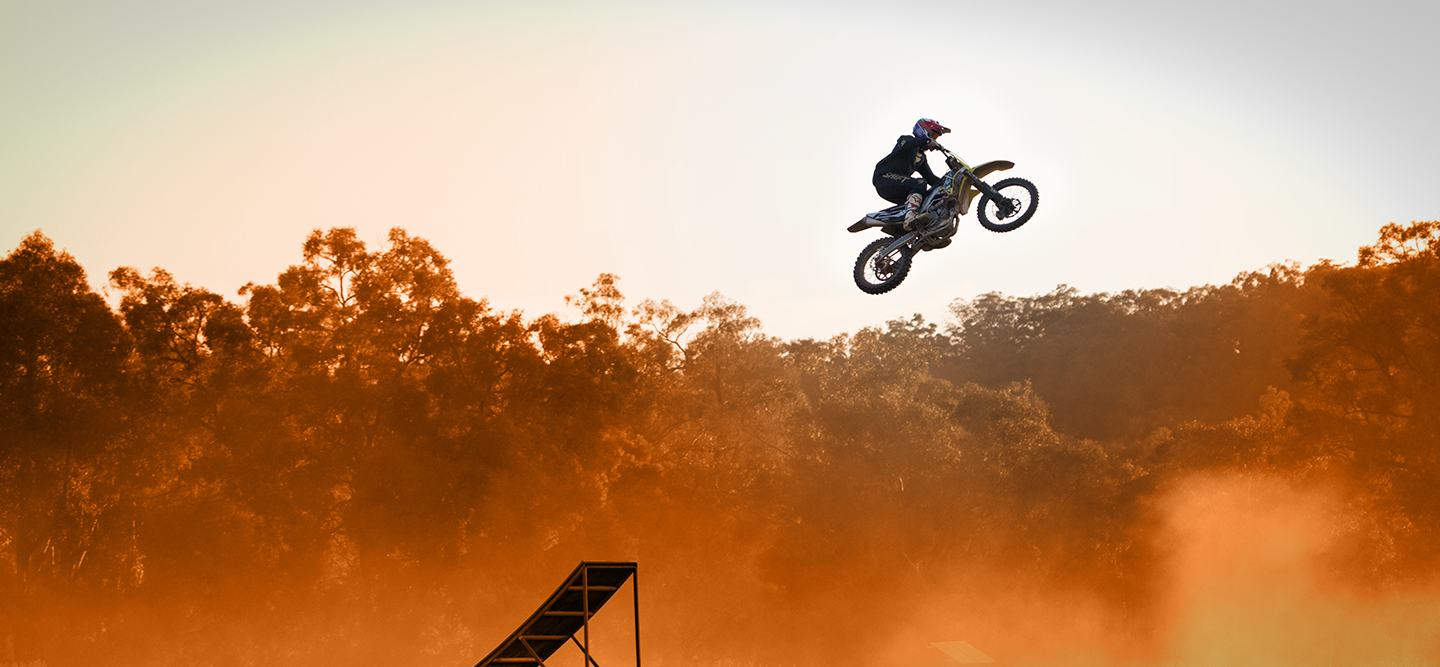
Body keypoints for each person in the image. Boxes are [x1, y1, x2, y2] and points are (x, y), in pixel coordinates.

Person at [873, 118, 951, 229]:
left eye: (935, 138)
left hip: (897, 186)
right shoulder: (906, 140)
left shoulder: (921, 158)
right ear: (924, 131)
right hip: (884, 177)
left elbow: (931, 178)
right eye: (933, 136)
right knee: (919, 183)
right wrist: (925, 141)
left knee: (926, 195)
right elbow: (905, 144)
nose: (934, 140)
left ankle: (917, 230)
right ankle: (911, 216)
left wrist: (948, 183)